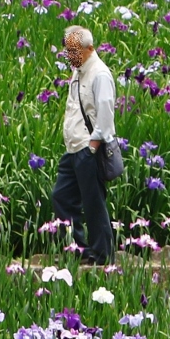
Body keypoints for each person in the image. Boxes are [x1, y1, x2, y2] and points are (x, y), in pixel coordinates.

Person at [50, 25, 117, 266]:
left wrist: (93, 146)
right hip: (74, 147)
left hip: (89, 148)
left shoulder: (99, 74)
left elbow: (106, 116)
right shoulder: (78, 71)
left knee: (93, 201)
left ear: (89, 49)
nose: (69, 57)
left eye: (74, 51)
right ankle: (75, 248)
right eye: (68, 51)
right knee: (61, 196)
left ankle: (103, 255)